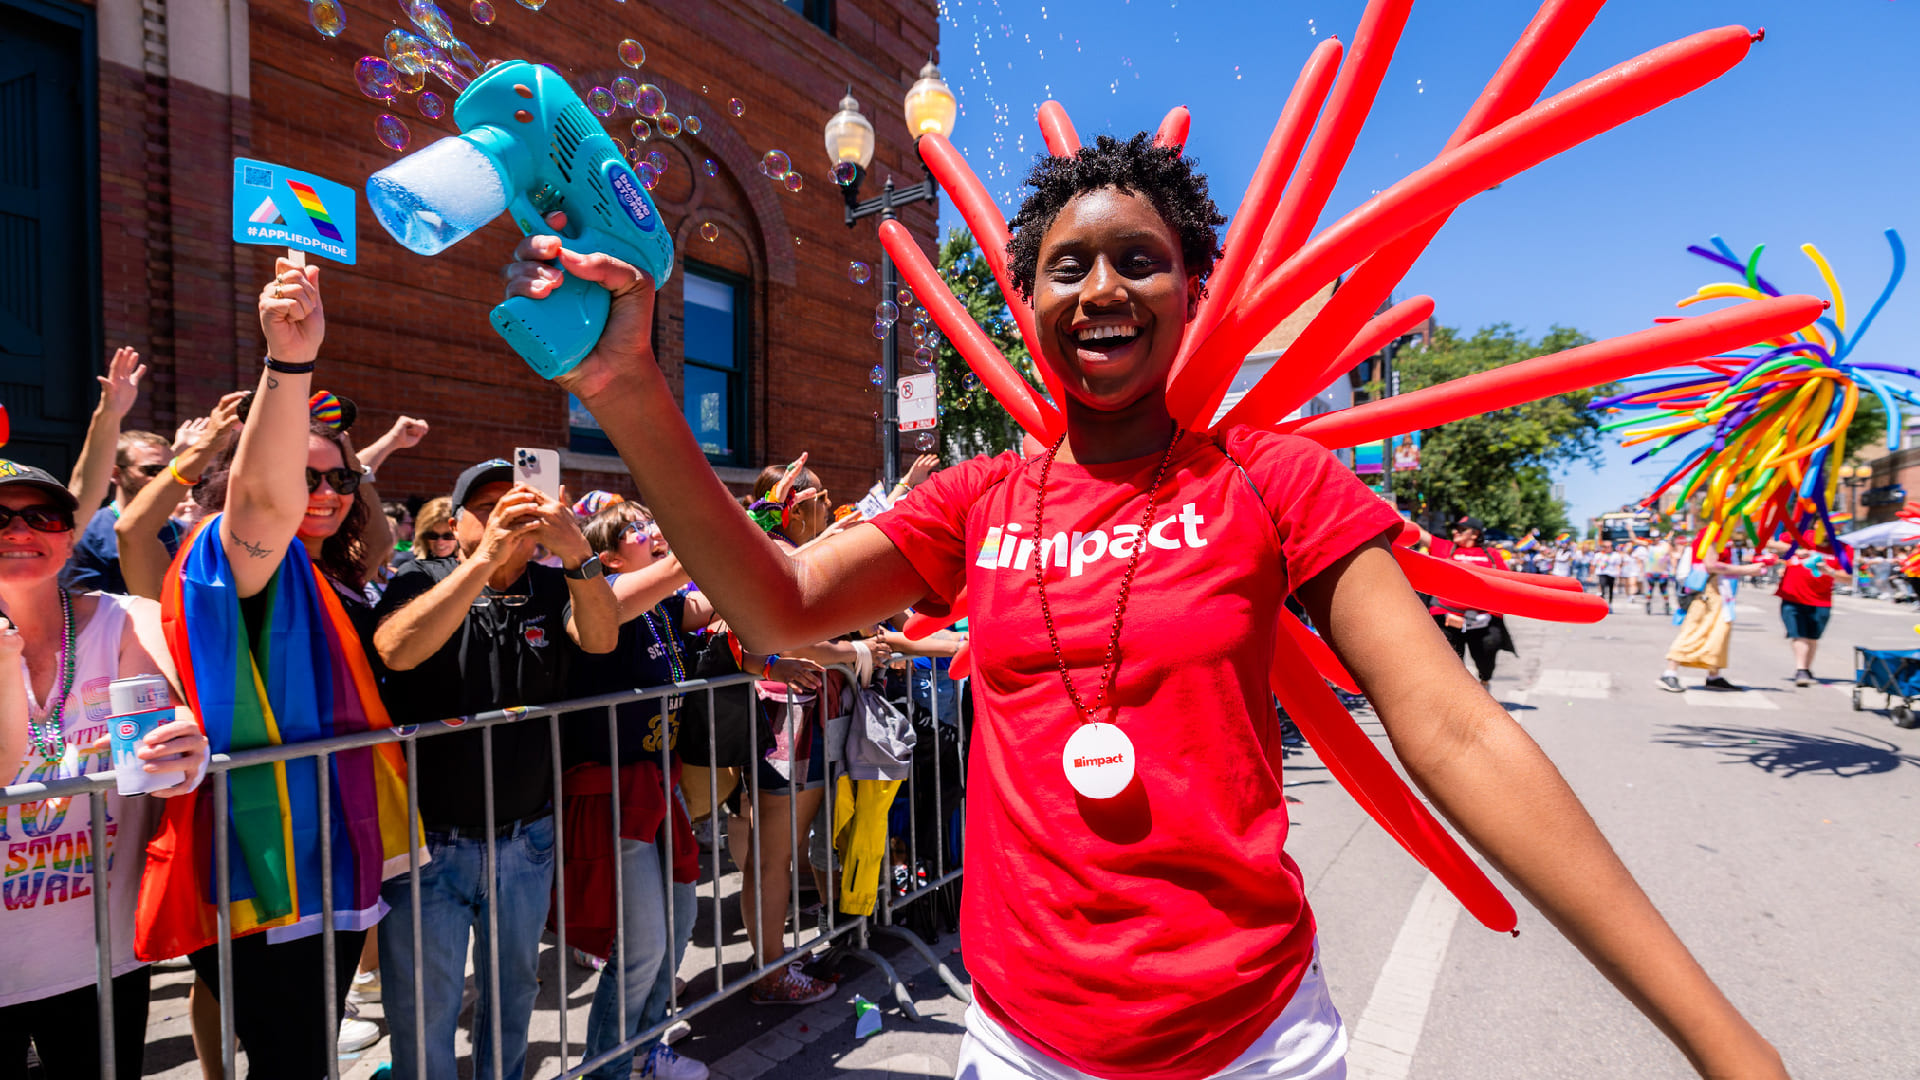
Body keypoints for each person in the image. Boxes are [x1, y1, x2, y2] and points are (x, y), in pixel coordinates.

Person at [521, 131, 1788, 1079]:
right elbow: (783, 604)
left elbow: (1454, 731)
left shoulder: (1277, 483)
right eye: (1068, 266)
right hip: (1022, 1047)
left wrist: (1725, 1046)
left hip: (1252, 1045)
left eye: (1142, 260)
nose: (1103, 288)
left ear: (1193, 290)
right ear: (1029, 304)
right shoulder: (974, 498)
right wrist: (630, 387)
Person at [133, 258, 418, 1079]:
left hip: (330, 850)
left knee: (304, 1056)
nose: (321, 491)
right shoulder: (245, 555)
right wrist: (289, 363)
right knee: (291, 1063)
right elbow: (263, 505)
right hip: (269, 862)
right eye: (305, 474)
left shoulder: (333, 573)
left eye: (339, 477)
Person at [372, 457, 620, 1080]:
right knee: (424, 1009)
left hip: (527, 837)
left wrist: (576, 555)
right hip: (431, 845)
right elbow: (397, 650)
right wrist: (483, 562)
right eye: (485, 508)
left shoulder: (554, 585)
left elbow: (602, 639)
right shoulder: (417, 577)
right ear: (455, 524)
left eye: (517, 502)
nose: (505, 515)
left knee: (512, 997)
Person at [0, 460, 208, 1080]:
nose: (20, 530)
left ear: (69, 534)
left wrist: (179, 750)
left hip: (97, 954)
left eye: (43, 516)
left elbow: (160, 727)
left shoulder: (125, 619)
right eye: (0, 517)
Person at [559, 501, 715, 1080]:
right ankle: (606, 1071)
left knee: (677, 925)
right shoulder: (598, 598)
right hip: (613, 793)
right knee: (641, 946)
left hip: (659, 783)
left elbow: (728, 589)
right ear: (606, 557)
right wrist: (690, 548)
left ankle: (647, 1051)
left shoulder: (668, 606)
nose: (653, 530)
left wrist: (772, 528)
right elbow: (608, 613)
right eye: (637, 527)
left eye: (654, 519)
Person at [60, 348, 178, 595]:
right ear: (115, 473)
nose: (162, 478)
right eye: (152, 469)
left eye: (168, 470)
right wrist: (110, 414)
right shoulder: (89, 531)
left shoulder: (182, 529)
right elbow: (81, 606)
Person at [1659, 546, 1767, 692]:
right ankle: (1669, 673)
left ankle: (1713, 675)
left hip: (1721, 593)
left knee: (1718, 633)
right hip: (1708, 592)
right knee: (1695, 631)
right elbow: (1711, 565)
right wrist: (1747, 570)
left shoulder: (1724, 536)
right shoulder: (1713, 535)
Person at [1426, 516, 1513, 690]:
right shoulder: (1446, 548)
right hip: (1449, 619)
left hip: (1482, 621)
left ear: (1475, 534)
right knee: (1450, 666)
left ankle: (1485, 681)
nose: (1454, 532)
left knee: (1486, 659)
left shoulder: (1492, 555)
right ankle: (1456, 699)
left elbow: (1508, 583)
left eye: (1461, 529)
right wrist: (1392, 510)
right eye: (1455, 528)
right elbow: (1420, 534)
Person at [1775, 546, 1836, 687]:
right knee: (1798, 634)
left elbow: (1851, 578)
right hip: (1792, 598)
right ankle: (1801, 669)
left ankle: (1806, 669)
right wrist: (1793, 550)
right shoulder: (1800, 538)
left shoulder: (1842, 548)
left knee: (1812, 638)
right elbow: (1766, 541)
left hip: (1821, 600)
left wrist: (1829, 571)